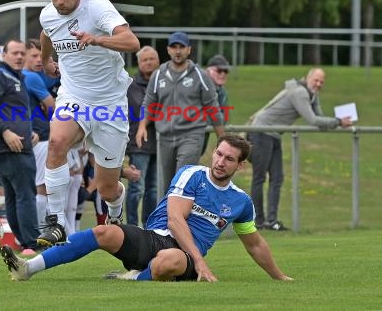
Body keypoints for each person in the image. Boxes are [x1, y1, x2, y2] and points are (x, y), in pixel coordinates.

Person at [1, 134, 293, 283]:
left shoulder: (241, 201)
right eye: (218, 153)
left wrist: (278, 277)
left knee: (170, 261)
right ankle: (28, 268)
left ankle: (133, 278)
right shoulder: (193, 174)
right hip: (152, 237)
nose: (220, 161)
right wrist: (203, 264)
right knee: (104, 232)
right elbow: (176, 219)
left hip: (182, 256)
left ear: (240, 165)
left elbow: (255, 245)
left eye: (229, 159)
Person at [36, 0, 140, 247]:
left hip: (109, 103)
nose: (59, 0)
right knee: (56, 142)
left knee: (107, 188)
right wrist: (46, 61)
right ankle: (55, 222)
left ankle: (116, 216)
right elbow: (47, 33)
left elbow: (132, 42)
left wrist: (96, 39)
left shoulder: (97, 7)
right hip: (74, 96)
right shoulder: (49, 14)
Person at [248, 67, 352, 231]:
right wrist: (338, 122)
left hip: (274, 134)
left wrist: (338, 121)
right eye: (315, 80)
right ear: (307, 78)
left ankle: (271, 222)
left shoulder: (312, 94)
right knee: (259, 178)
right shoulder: (300, 93)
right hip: (260, 131)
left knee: (277, 178)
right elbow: (312, 120)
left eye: (321, 82)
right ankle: (257, 221)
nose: (318, 84)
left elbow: (320, 117)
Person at [136, 32, 225, 197]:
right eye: (174, 47)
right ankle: (167, 221)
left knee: (182, 181)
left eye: (181, 47)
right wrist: (142, 126)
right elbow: (148, 104)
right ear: (168, 50)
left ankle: (182, 221)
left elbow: (212, 106)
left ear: (189, 50)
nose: (178, 51)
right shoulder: (158, 75)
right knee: (168, 186)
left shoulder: (200, 75)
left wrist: (222, 139)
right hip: (165, 137)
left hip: (191, 135)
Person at [0, 39, 40, 253]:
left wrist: (27, 132)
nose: (19, 57)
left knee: (14, 197)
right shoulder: (0, 75)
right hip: (10, 148)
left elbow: (11, 111)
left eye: (22, 53)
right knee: (25, 194)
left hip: (18, 145)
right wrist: (5, 132)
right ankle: (31, 243)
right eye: (14, 53)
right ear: (4, 55)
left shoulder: (17, 77)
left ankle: (24, 243)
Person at [22, 39, 56, 233]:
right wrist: (52, 121)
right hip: (40, 137)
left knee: (37, 186)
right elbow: (52, 104)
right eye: (34, 55)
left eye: (40, 56)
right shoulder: (32, 77)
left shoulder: (23, 77)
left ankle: (37, 231)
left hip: (32, 135)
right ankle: (40, 232)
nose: (38, 60)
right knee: (41, 187)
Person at [125, 46, 160, 227]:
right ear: (139, 63)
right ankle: (132, 226)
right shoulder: (131, 85)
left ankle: (149, 227)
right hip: (138, 143)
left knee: (153, 190)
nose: (148, 63)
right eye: (144, 60)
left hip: (161, 142)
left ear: (158, 60)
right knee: (136, 188)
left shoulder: (164, 81)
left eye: (151, 59)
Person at [201, 54, 231, 156]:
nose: (223, 74)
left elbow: (225, 119)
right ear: (208, 71)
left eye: (226, 71)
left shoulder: (222, 92)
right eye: (219, 70)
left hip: (204, 134)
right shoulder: (200, 86)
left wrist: (214, 119)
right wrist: (215, 119)